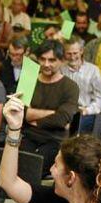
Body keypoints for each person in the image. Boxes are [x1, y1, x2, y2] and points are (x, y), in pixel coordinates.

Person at [19, 40, 79, 177]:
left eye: (52, 60)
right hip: (27, 136)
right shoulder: (28, 80)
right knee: (19, 166)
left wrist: (33, 119)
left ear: (62, 61)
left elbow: (62, 119)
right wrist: (52, 113)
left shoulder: (70, 87)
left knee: (34, 169)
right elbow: (19, 112)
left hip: (54, 139)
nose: (46, 64)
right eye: (43, 59)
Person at [60, 36, 101, 134]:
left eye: (75, 53)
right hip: (65, 113)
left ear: (81, 51)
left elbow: (99, 99)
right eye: (69, 53)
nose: (72, 57)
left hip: (86, 113)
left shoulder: (93, 70)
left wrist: (87, 110)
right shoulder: (60, 70)